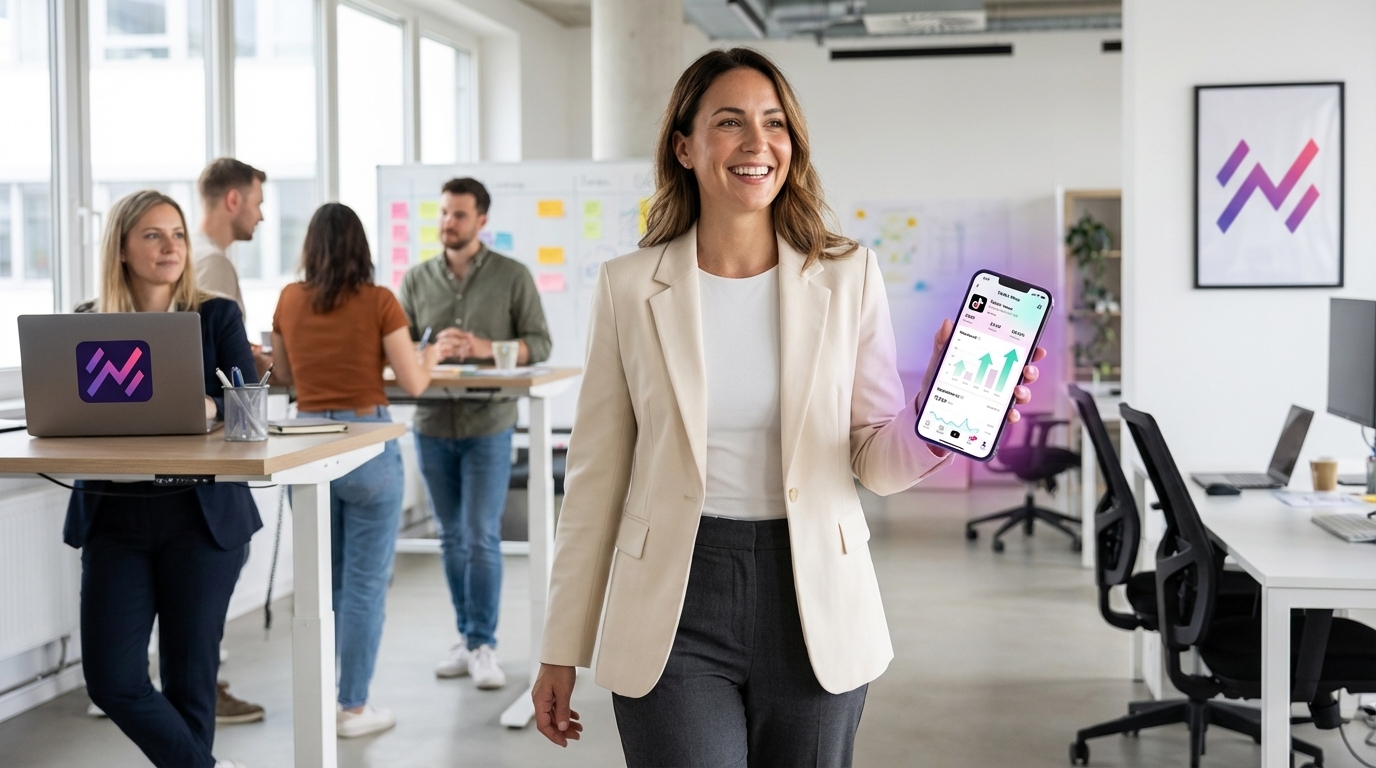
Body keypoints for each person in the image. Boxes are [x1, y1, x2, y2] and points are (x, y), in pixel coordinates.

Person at [531, 48, 1048, 766]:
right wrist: (562, 646)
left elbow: (874, 459)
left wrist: (935, 417)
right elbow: (593, 480)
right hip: (673, 604)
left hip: (813, 597)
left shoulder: (846, 274)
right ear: (684, 146)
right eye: (730, 122)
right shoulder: (628, 288)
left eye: (774, 123)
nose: (757, 143)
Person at [67, 190, 259, 768]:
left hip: (199, 516)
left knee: (190, 682)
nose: (171, 246)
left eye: (176, 233)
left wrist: (207, 406)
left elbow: (244, 409)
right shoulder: (83, 325)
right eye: (153, 235)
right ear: (121, 248)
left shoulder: (216, 316)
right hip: (114, 514)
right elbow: (67, 413)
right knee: (112, 680)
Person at [271, 203, 458, 738]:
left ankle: (317, 698)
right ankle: (352, 708)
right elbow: (414, 383)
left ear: (310, 246)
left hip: (306, 447)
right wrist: (431, 355)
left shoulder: (289, 299)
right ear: (362, 248)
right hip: (366, 445)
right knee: (364, 585)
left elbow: (284, 375)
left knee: (319, 584)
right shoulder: (379, 301)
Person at [398, 178, 552, 690]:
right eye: (444, 213)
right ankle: (466, 638)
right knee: (451, 538)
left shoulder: (512, 275)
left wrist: (484, 346)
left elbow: (540, 344)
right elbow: (397, 351)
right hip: (432, 424)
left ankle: (484, 643)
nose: (448, 223)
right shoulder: (417, 279)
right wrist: (432, 352)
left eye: (460, 215)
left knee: (481, 535)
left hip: (490, 423)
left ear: (482, 221)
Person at [191, 157, 270, 726]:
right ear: (234, 200)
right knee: (222, 549)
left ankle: (196, 677)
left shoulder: (197, 259)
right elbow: (225, 370)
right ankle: (202, 682)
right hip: (207, 446)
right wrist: (260, 363)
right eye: (259, 202)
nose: (263, 216)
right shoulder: (212, 267)